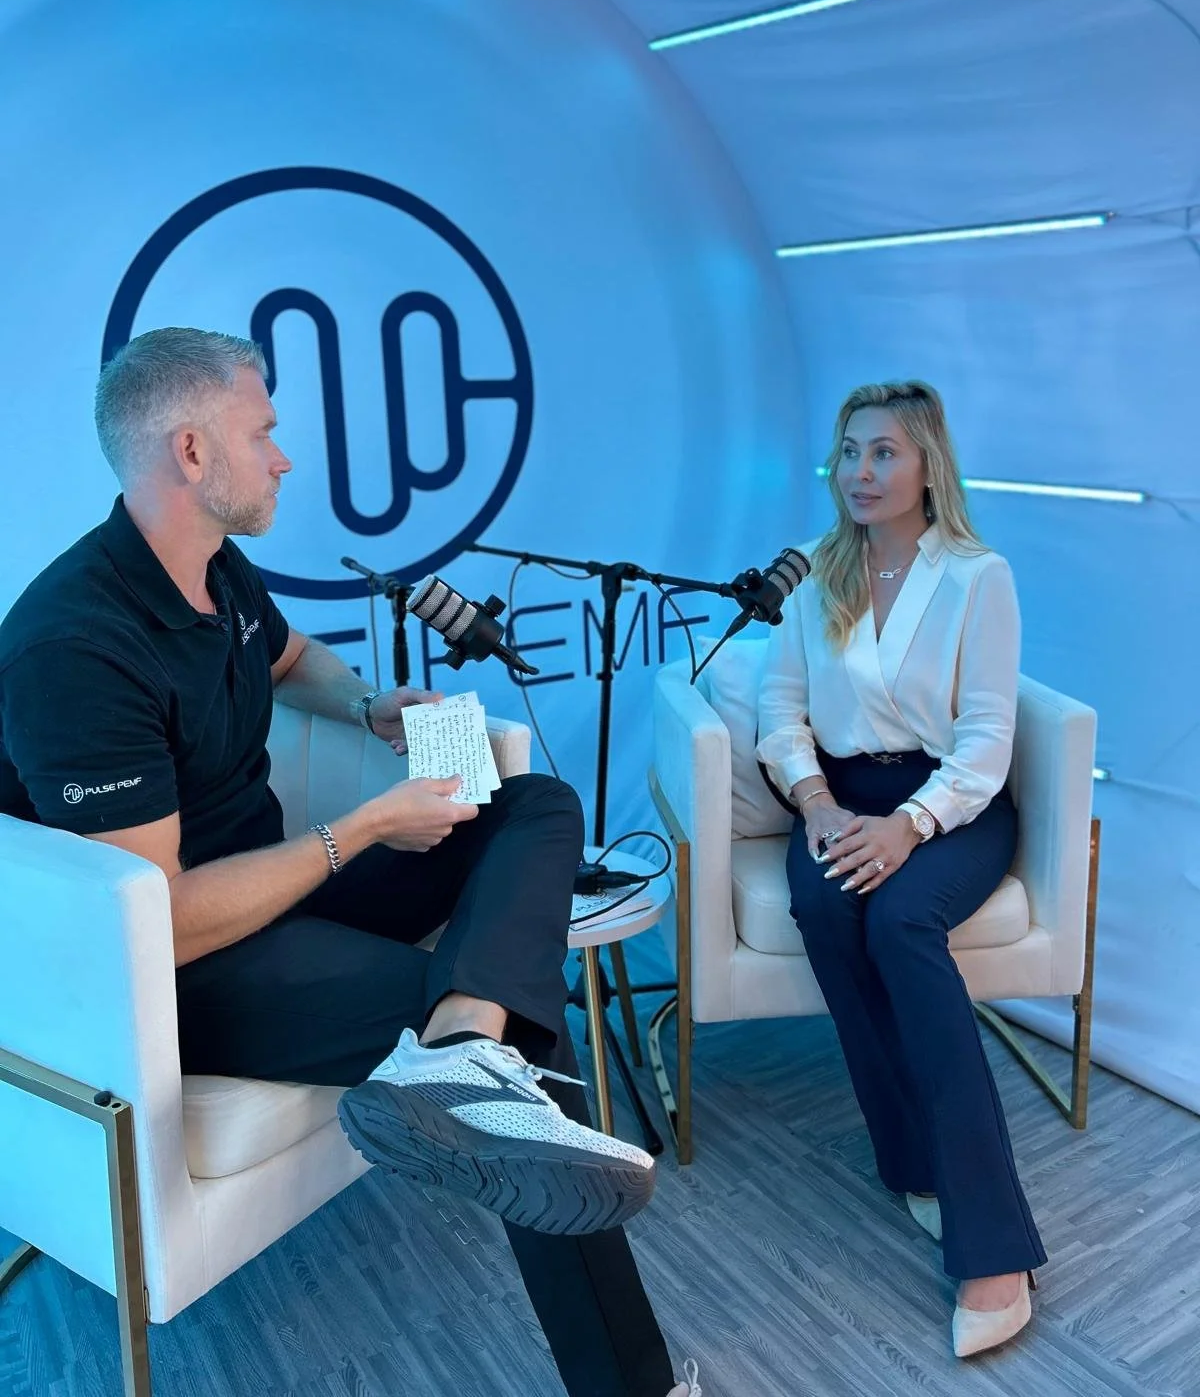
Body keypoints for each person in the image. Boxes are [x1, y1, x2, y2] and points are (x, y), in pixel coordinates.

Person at [0, 326, 700, 1397]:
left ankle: (459, 1052)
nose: (283, 456)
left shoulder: (213, 567)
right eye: (263, 431)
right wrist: (362, 830)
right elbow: (160, 923)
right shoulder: (74, 644)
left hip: (280, 889)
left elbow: (289, 659)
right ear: (192, 450)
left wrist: (370, 704)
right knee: (520, 1021)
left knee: (534, 802)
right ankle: (631, 1380)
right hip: (175, 976)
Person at [756, 379, 1045, 1358]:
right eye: (849, 451)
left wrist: (911, 826)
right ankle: (913, 1161)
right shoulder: (814, 573)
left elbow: (988, 739)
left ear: (928, 465)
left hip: (953, 802)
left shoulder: (977, 576)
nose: (861, 471)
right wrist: (818, 804)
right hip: (837, 798)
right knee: (829, 911)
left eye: (884, 452)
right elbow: (781, 709)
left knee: (901, 922)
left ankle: (994, 1247)